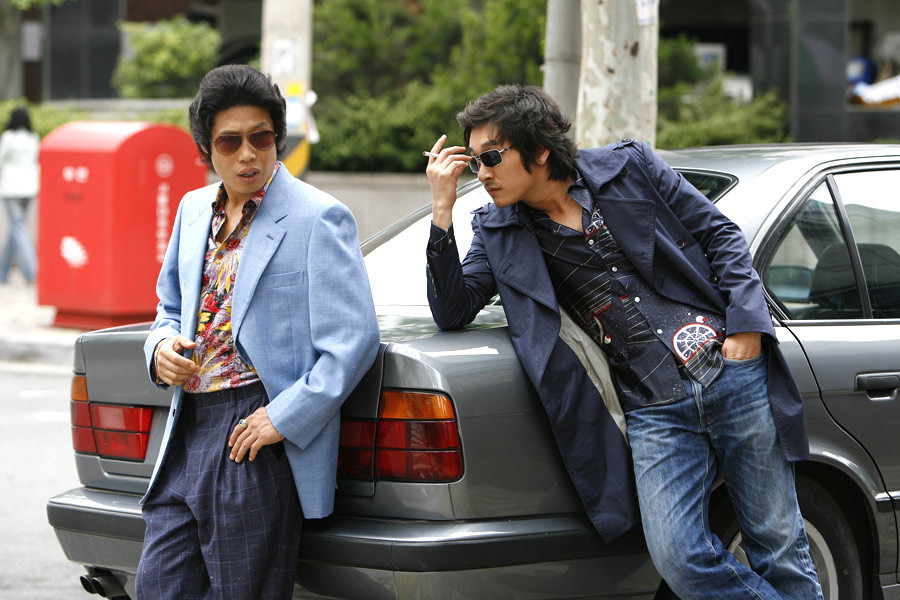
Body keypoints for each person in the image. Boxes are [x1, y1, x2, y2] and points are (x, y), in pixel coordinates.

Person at [424, 85, 823, 600]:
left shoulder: (629, 166)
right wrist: (441, 210)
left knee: (779, 546)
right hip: (653, 409)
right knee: (680, 559)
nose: (482, 173)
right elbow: (453, 310)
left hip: (730, 372)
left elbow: (718, 234)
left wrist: (747, 328)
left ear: (539, 151)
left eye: (492, 157)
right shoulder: (498, 231)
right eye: (475, 161)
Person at [137, 64, 380, 600]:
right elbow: (169, 308)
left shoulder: (319, 217)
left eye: (261, 138)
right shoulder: (193, 209)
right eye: (230, 142)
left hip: (252, 432)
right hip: (185, 427)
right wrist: (160, 349)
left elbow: (353, 339)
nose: (248, 154)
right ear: (207, 148)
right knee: (158, 585)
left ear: (277, 139)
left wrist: (283, 417)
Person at [0, 107, 39, 284]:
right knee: (17, 228)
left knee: (18, 228)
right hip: (29, 189)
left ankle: (31, 272)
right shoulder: (33, 138)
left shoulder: (8, 138)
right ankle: (2, 272)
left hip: (11, 189)